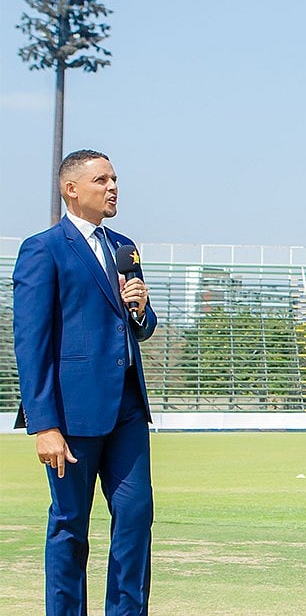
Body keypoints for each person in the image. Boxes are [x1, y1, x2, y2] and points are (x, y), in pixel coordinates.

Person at [12, 149, 158, 614]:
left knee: (136, 518)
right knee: (71, 525)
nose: (113, 187)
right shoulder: (44, 248)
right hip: (71, 415)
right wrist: (43, 424)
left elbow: (138, 324)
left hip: (128, 408)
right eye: (102, 179)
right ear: (71, 189)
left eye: (116, 179)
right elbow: (30, 342)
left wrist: (139, 308)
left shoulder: (124, 246)